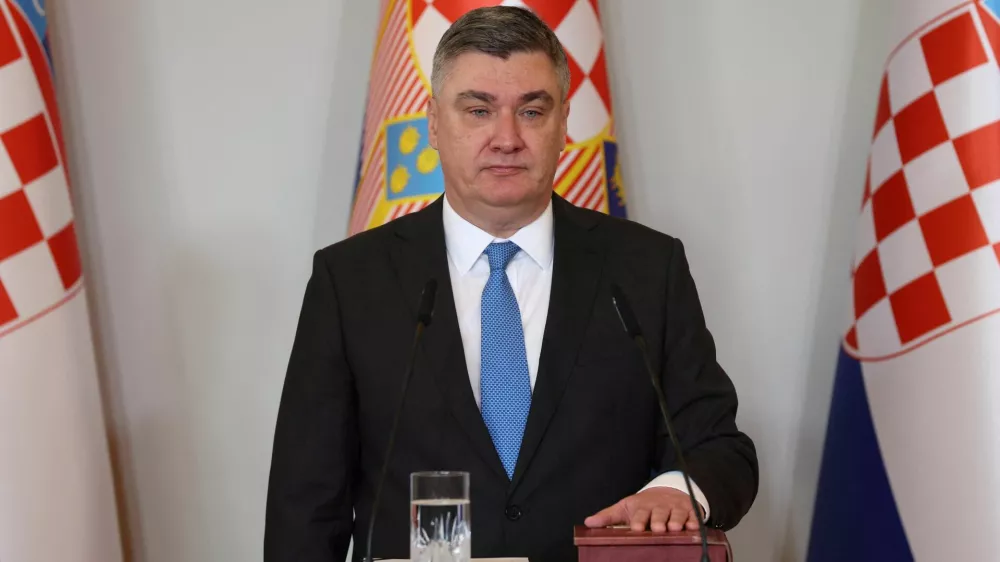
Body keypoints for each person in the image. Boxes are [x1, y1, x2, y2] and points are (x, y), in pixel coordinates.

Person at [264, 6, 757, 562]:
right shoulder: (352, 280)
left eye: (531, 110)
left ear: (565, 123)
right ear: (433, 123)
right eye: (478, 110)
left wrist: (677, 490)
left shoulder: (645, 268)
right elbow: (305, 504)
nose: (506, 138)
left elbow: (720, 448)